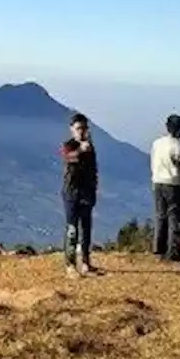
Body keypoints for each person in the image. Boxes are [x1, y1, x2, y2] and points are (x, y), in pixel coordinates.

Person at [150, 114, 180, 261]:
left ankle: (158, 249)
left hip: (157, 182)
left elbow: (152, 162)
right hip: (174, 184)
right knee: (175, 218)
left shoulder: (156, 143)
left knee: (160, 216)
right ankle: (173, 251)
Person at [60, 113, 102, 277]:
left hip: (87, 192)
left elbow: (94, 170)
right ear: (72, 130)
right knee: (72, 229)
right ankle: (70, 264)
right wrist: (79, 150)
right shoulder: (69, 145)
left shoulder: (91, 148)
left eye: (84, 128)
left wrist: (95, 188)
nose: (81, 132)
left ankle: (85, 262)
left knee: (86, 229)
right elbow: (67, 156)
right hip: (71, 193)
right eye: (78, 128)